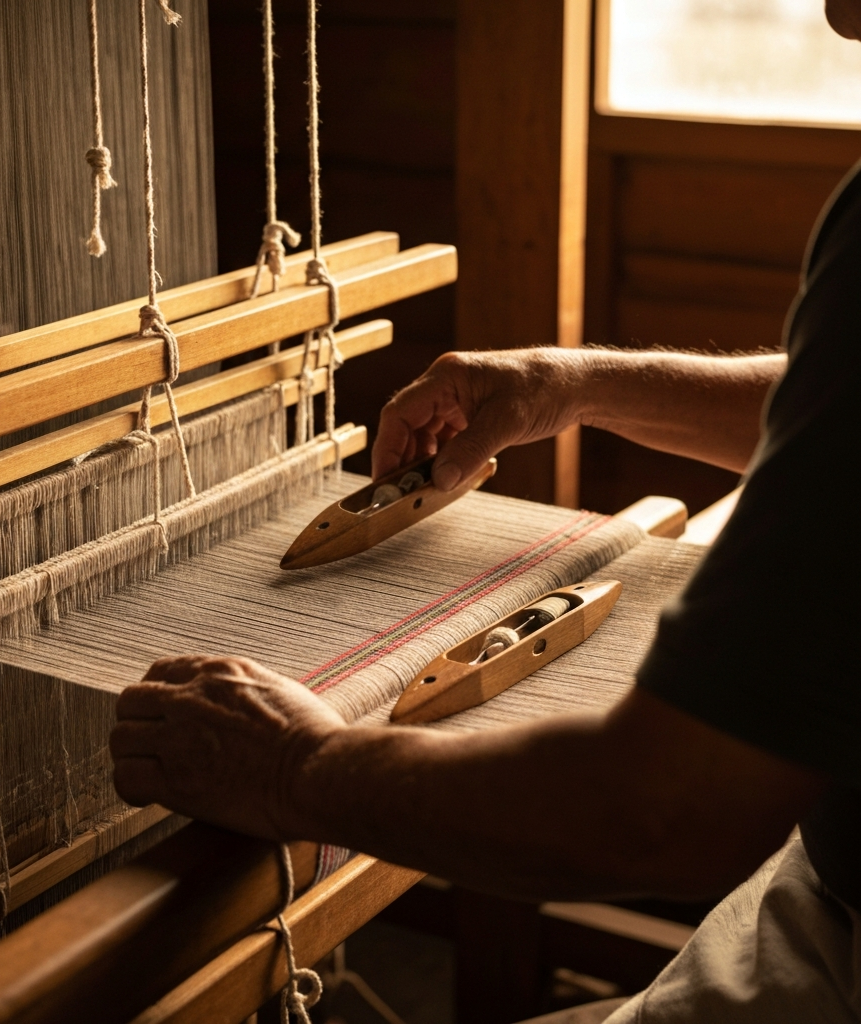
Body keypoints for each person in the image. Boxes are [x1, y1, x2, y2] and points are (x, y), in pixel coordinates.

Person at [109, 3, 860, 1020]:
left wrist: (298, 765)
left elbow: (660, 810)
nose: (836, 13)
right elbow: (835, 418)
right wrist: (574, 384)